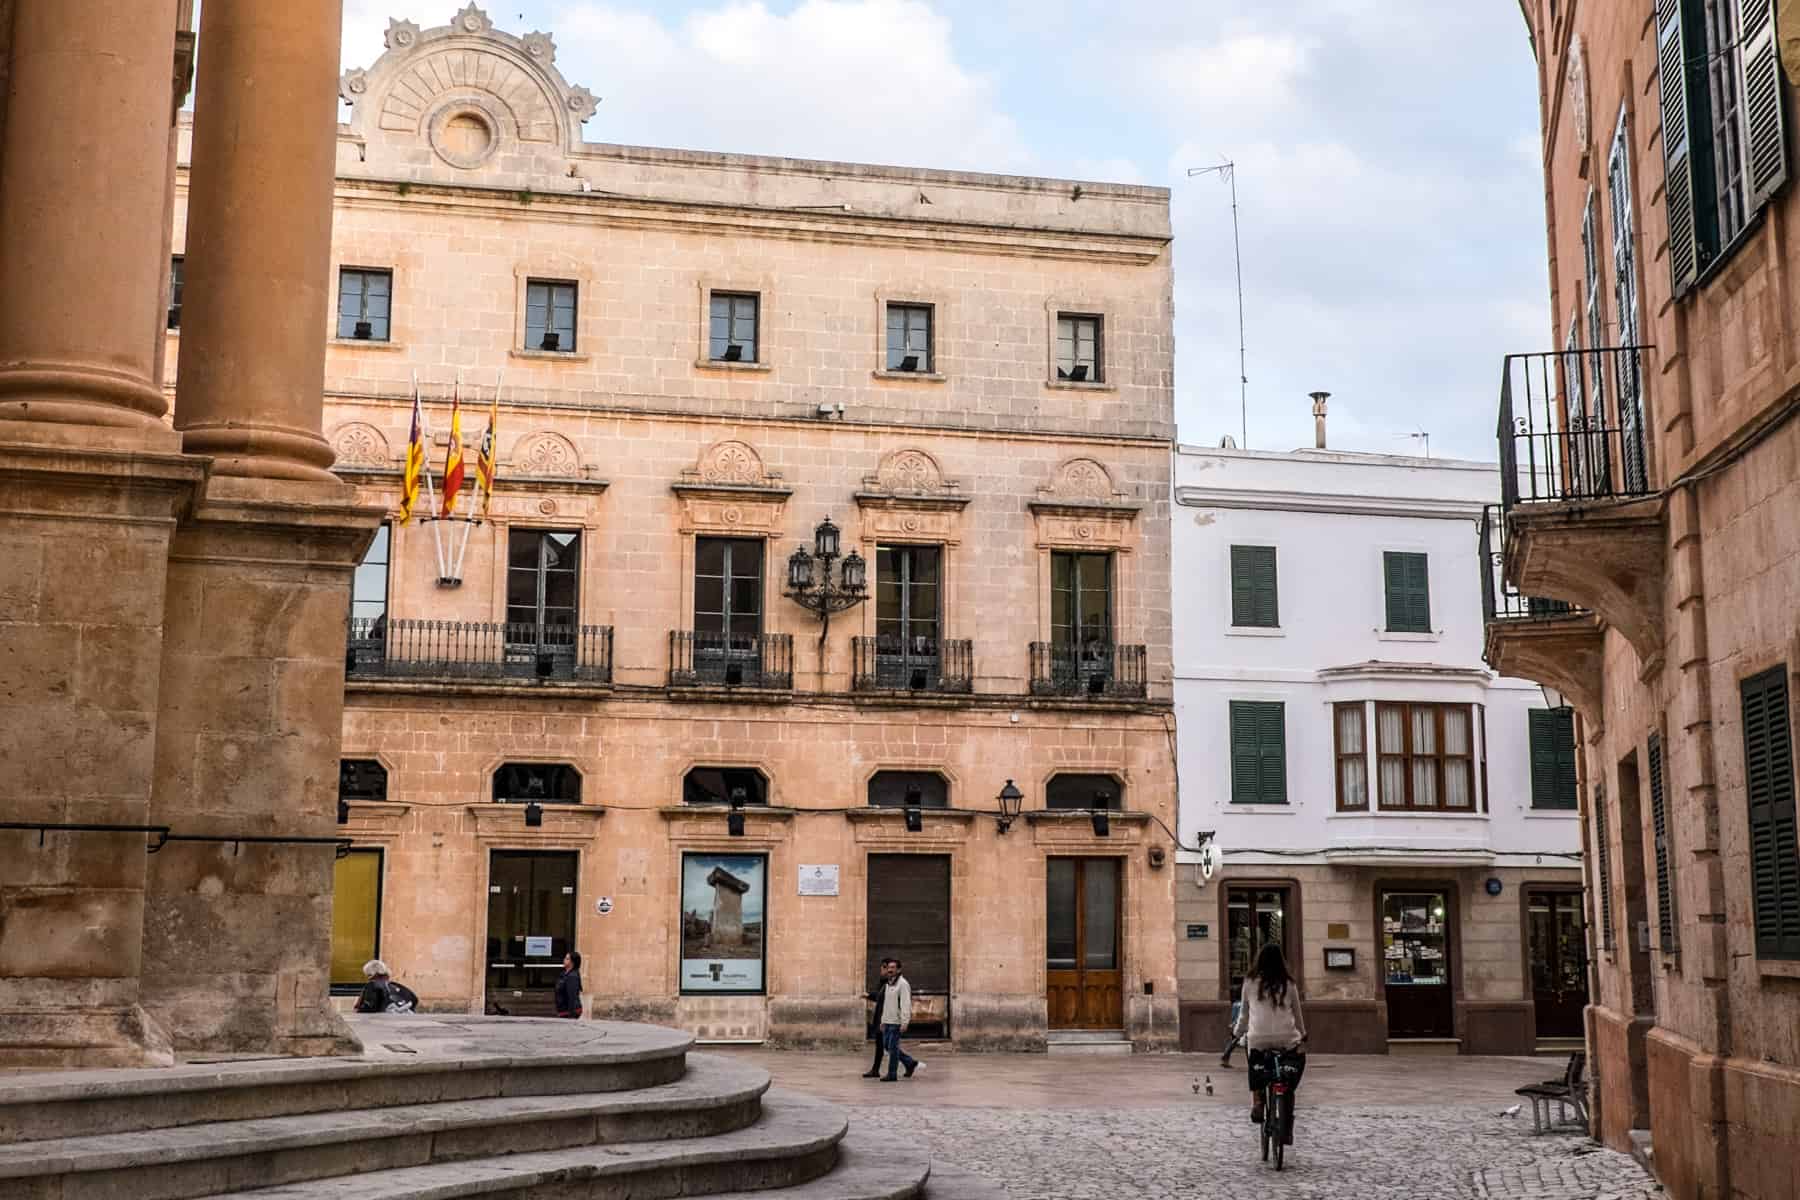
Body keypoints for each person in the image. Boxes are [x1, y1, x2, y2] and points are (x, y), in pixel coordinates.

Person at [1231, 943, 1306, 1141]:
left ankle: (1257, 1100)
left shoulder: (1249, 982)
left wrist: (1237, 1033)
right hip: (1287, 1039)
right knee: (1288, 1080)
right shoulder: (1289, 984)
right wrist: (1303, 1034)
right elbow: (1297, 1015)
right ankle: (1287, 1128)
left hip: (1258, 1039)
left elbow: (1244, 1015)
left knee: (1255, 1063)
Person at [873, 957, 924, 1082]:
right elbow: (886, 1005)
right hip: (887, 1022)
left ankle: (892, 1074)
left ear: (899, 970)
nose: (890, 970)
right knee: (888, 1047)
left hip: (896, 1023)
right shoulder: (888, 984)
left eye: (893, 968)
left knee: (893, 1048)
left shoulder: (903, 984)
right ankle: (910, 1063)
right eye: (889, 967)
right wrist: (883, 1021)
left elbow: (906, 1004)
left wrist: (905, 1022)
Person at [354, 959, 418, 1014]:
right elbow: (414, 999)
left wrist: (358, 1009)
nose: (368, 979)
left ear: (372, 974)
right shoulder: (396, 985)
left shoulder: (372, 985)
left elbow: (368, 1007)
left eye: (368, 975)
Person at [861, 978, 888, 1079]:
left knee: (889, 1046)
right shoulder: (884, 983)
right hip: (881, 1019)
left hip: (885, 1019)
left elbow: (882, 998)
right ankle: (875, 1070)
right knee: (882, 1046)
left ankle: (910, 1063)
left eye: (883, 968)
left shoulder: (891, 984)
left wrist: (869, 995)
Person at [554, 951, 583, 1019]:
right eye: (565, 958)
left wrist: (571, 1014)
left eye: (567, 959)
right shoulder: (565, 974)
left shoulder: (572, 976)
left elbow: (572, 996)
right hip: (563, 1009)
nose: (564, 960)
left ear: (572, 962)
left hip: (569, 1011)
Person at [1219, 998, 1244, 1067]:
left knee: (1232, 1041)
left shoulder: (1235, 1004)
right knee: (1235, 1041)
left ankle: (1225, 1059)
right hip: (1242, 1024)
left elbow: (1233, 1016)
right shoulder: (1245, 1003)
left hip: (1236, 1024)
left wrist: (1233, 1023)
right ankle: (1225, 1057)